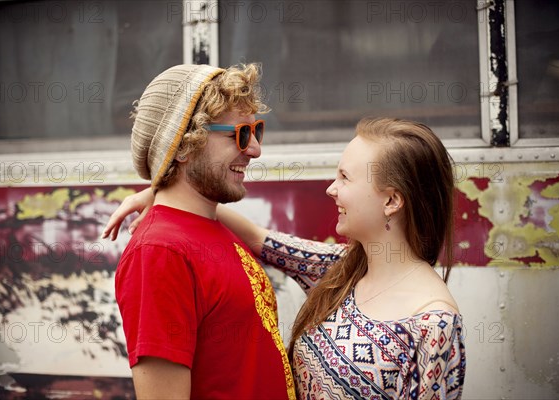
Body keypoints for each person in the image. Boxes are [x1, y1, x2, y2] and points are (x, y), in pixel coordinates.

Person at [104, 117, 466, 398]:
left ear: (391, 201)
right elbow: (258, 238)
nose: (331, 188)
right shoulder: (342, 271)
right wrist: (162, 192)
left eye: (344, 177)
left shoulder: (434, 324)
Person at [112, 63, 295, 399]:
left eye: (257, 131)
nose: (254, 149)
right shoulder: (159, 252)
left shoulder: (209, 225)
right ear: (182, 146)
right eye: (239, 134)